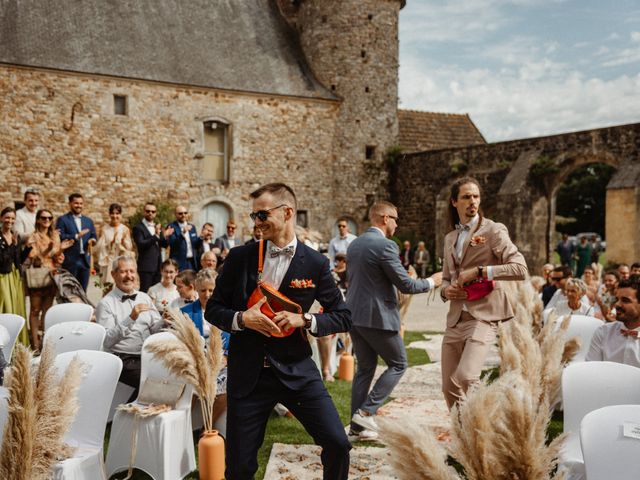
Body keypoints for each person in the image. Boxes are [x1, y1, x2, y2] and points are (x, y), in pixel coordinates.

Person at [206, 182, 352, 480]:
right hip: (248, 376)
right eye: (254, 216)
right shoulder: (239, 257)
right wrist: (243, 318)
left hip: (297, 370)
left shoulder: (315, 264)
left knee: (338, 444)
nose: (256, 223)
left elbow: (343, 316)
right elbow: (213, 309)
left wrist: (307, 321)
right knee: (239, 467)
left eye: (262, 215)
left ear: (287, 212)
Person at [347, 200, 442, 438]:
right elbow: (407, 285)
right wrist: (433, 281)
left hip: (354, 316)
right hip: (378, 317)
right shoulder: (386, 246)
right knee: (399, 364)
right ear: (385, 218)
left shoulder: (355, 244)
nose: (398, 224)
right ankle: (367, 413)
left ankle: (356, 427)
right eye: (396, 218)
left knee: (365, 370)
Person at [440, 177, 527, 409]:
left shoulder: (494, 230)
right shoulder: (449, 238)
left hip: (483, 316)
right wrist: (445, 290)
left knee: (467, 377)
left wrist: (480, 271)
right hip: (455, 320)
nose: (472, 201)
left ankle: (484, 427)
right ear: (454, 202)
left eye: (476, 196)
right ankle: (464, 437)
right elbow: (446, 277)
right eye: (466, 197)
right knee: (449, 387)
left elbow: (520, 268)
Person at [96, 256, 164, 396]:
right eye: (123, 272)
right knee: (153, 382)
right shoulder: (106, 303)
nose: (129, 276)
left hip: (147, 355)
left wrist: (164, 320)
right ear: (113, 275)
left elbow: (154, 329)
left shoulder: (144, 297)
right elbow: (107, 340)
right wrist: (130, 319)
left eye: (132, 271)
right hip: (123, 359)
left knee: (171, 376)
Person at [24, 209, 73, 350]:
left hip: (51, 275)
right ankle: (34, 343)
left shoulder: (55, 236)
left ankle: (45, 340)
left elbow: (57, 258)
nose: (47, 220)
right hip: (38, 275)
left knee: (47, 310)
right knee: (34, 310)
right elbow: (34, 257)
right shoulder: (33, 237)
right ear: (38, 219)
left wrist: (61, 250)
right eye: (44, 218)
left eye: (50, 218)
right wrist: (49, 250)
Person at [586, 277, 640, 367]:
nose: (617, 304)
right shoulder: (603, 332)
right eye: (617, 299)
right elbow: (591, 369)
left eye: (625, 300)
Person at [0, 207, 30, 345]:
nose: (10, 221)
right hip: (3, 277)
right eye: (7, 217)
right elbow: (2, 259)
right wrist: (13, 245)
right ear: (1, 218)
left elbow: (19, 260)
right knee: (5, 306)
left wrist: (27, 248)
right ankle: (4, 343)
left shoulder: (15, 236)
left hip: (16, 276)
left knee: (17, 308)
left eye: (12, 218)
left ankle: (17, 344)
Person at [55, 193, 97, 291]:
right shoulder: (63, 219)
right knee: (69, 290)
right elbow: (60, 236)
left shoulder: (88, 221)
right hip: (70, 260)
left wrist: (93, 240)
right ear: (70, 204)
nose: (79, 205)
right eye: (76, 203)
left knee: (83, 290)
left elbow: (93, 235)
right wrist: (76, 236)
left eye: (81, 203)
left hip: (85, 261)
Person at [95, 203, 135, 287]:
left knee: (122, 286)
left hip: (120, 261)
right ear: (109, 214)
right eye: (112, 213)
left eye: (117, 213)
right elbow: (99, 247)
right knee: (107, 287)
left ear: (120, 215)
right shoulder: (104, 229)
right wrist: (111, 243)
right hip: (108, 261)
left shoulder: (124, 229)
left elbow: (129, 247)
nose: (115, 216)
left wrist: (123, 242)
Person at [132, 202, 165, 292]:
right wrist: (155, 236)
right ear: (144, 212)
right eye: (148, 211)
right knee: (145, 291)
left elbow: (164, 244)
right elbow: (141, 244)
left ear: (155, 213)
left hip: (158, 265)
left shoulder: (157, 226)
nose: (150, 213)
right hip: (146, 266)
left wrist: (166, 235)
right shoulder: (138, 228)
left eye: (153, 211)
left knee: (156, 292)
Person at [163, 206, 202, 271]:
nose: (183, 215)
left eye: (185, 213)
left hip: (192, 262)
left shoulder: (192, 227)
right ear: (175, 214)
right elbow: (173, 244)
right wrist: (183, 233)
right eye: (180, 213)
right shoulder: (172, 227)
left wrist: (201, 237)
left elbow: (195, 245)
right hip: (179, 262)